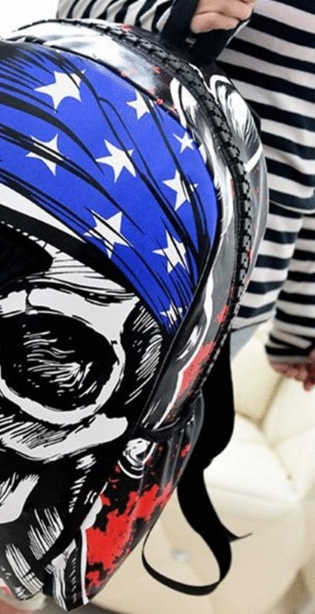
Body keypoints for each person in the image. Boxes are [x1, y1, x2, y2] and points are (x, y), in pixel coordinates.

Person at [0, 1, 314, 613]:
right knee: (28, 547)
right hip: (31, 210)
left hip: (222, 302)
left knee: (44, 532)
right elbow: (81, 14)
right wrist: (173, 10)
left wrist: (302, 323)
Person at [57, 0, 315, 389]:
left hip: (234, 296)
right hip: (95, 237)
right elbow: (73, 12)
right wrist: (175, 12)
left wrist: (300, 329)